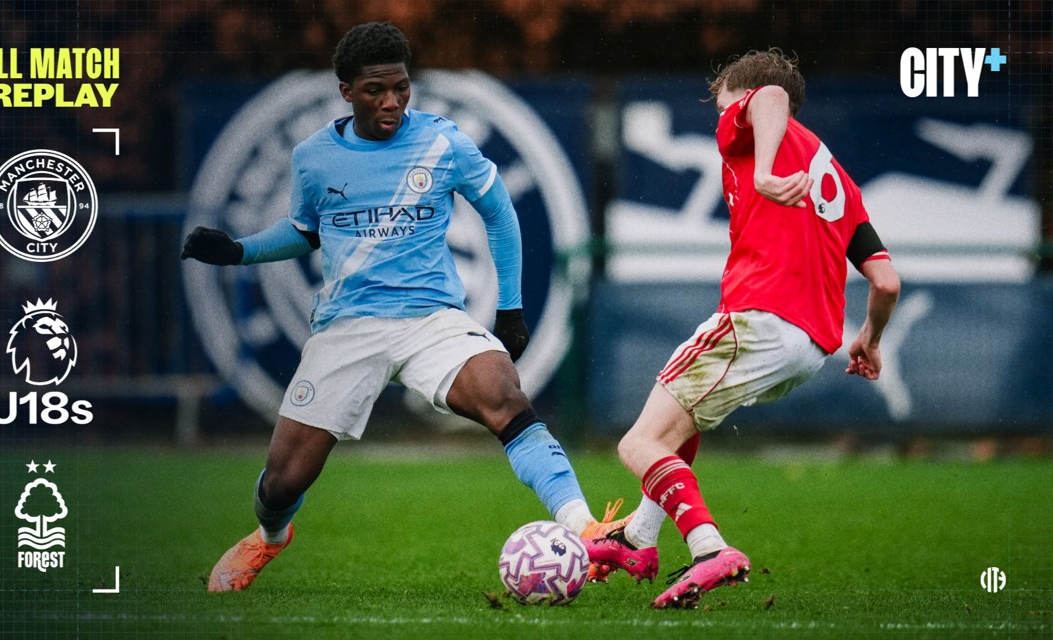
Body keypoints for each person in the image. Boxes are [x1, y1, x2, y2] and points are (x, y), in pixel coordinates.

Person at [181, 21, 631, 592]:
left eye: (401, 87)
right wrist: (238, 251)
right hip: (347, 327)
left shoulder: (443, 142)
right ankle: (270, 538)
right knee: (282, 482)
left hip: (431, 320)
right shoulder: (314, 157)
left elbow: (499, 213)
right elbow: (305, 230)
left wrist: (511, 310)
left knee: (503, 392)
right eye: (375, 90)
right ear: (346, 90)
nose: (391, 101)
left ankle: (584, 527)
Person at [584, 49, 901, 609]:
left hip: (761, 318)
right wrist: (871, 339)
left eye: (725, 104)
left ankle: (710, 550)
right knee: (681, 425)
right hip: (810, 348)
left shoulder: (751, 130)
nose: (722, 118)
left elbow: (771, 97)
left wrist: (761, 169)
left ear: (741, 95)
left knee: (637, 442)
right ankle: (639, 538)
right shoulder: (840, 182)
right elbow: (887, 282)